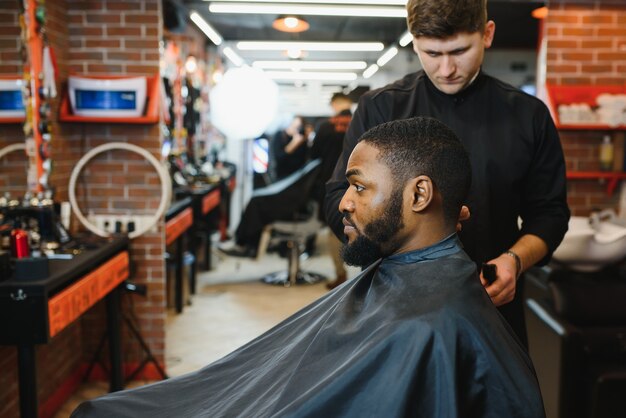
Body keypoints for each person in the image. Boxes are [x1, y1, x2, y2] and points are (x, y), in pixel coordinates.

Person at [71, 117, 545, 418]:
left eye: (358, 187)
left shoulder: (430, 328)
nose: (343, 204)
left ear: (419, 195)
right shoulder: (410, 285)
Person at [324, 0, 570, 347]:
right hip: (393, 308)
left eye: (459, 51)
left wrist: (514, 261)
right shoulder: (380, 108)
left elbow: (550, 215)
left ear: (487, 34)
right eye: (432, 53)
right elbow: (338, 200)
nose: (446, 68)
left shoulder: (528, 116)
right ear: (414, 42)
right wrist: (407, 230)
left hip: (492, 307)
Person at [309, 92, 353, 290]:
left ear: (334, 104)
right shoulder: (361, 123)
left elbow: (314, 155)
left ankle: (340, 273)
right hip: (359, 184)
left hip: (332, 185)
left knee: (334, 229)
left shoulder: (325, 127)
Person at [270, 115, 308, 181]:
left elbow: (303, 159)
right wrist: (294, 144)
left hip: (298, 177)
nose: (295, 129)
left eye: (298, 127)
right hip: (282, 177)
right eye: (293, 125)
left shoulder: (302, 139)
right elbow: (279, 157)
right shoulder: (280, 135)